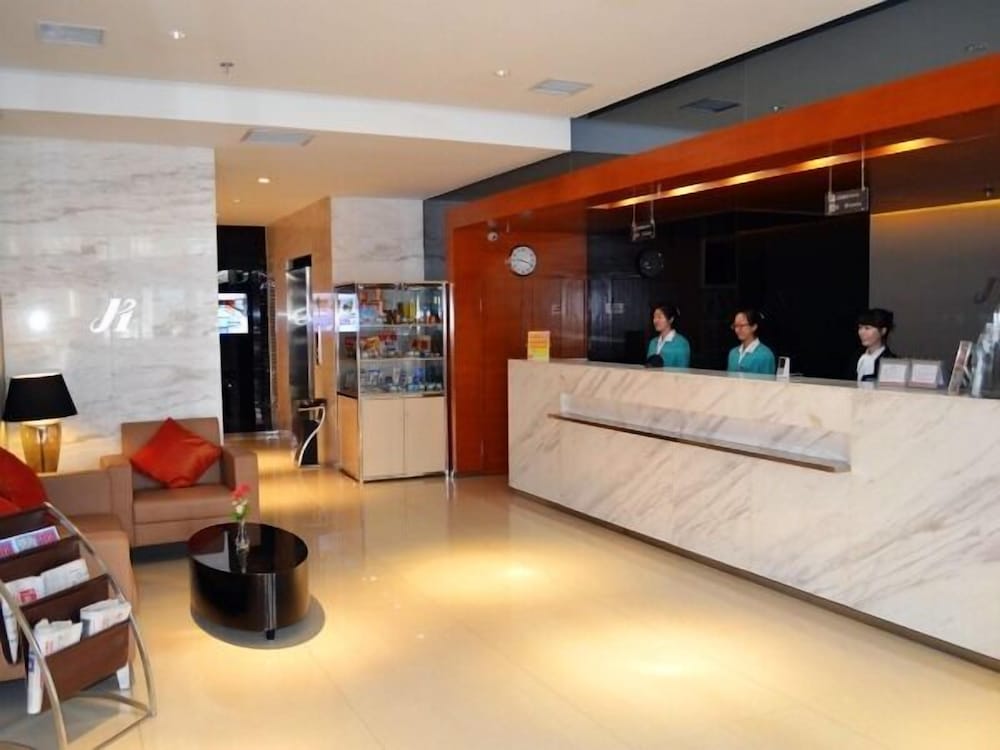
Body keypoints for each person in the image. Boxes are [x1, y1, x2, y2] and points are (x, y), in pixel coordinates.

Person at [727, 308, 776, 374]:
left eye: (742, 326)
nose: (737, 330)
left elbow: (768, 380)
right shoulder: (733, 353)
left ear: (754, 327)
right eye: (735, 326)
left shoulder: (766, 355)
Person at [856, 308, 897, 382]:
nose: (862, 332)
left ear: (883, 331)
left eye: (867, 328)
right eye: (860, 328)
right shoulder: (857, 356)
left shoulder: (890, 361)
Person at [645, 303, 691, 368]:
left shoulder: (681, 343)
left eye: (659, 317)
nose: (655, 320)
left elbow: (683, 369)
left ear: (671, 319)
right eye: (654, 317)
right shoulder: (652, 342)